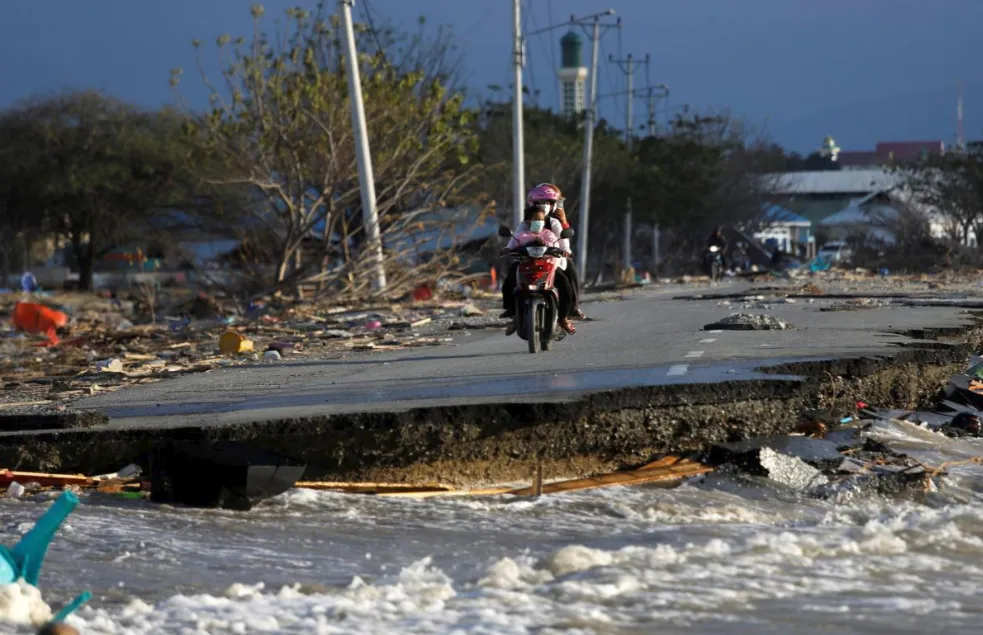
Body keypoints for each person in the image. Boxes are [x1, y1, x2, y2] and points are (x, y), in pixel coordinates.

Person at [501, 184, 583, 320]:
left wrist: (566, 250)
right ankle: (511, 309)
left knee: (568, 276)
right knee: (511, 276)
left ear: (554, 204)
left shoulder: (555, 221)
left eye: (548, 202)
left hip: (551, 260)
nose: (543, 206)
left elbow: (563, 239)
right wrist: (508, 249)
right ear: (532, 204)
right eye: (539, 202)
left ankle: (571, 309)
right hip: (528, 260)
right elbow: (515, 239)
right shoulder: (524, 224)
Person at [501, 205, 576, 335]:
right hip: (526, 267)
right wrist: (507, 250)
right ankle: (514, 316)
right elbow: (511, 245)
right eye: (535, 219)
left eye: (541, 219)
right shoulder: (521, 235)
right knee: (509, 283)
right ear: (528, 221)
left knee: (565, 284)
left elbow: (557, 245)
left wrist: (562, 251)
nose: (539, 222)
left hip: (547, 267)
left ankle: (563, 318)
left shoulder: (549, 234)